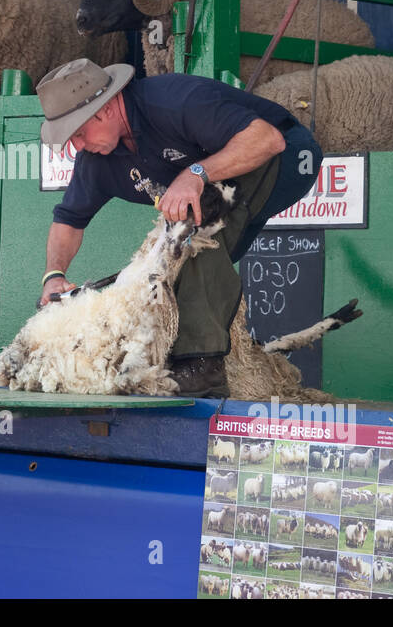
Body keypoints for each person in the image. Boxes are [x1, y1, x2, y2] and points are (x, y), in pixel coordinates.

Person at [35, 58, 323, 397]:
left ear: (106, 108)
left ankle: (203, 368)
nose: (77, 146)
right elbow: (69, 219)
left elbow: (267, 140)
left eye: (79, 133)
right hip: (228, 180)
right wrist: (54, 275)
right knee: (171, 254)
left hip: (288, 155)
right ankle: (200, 355)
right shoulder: (96, 161)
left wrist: (195, 175)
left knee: (193, 233)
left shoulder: (175, 101)